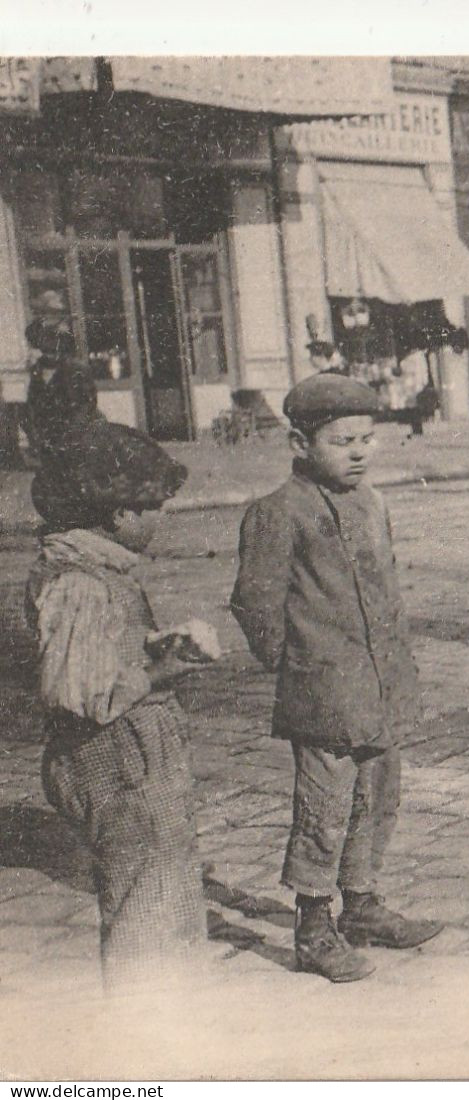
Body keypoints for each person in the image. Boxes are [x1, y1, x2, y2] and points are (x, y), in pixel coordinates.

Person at [231, 374, 444, 983]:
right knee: (323, 808)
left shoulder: (373, 503)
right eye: (342, 440)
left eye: (366, 439)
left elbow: (390, 587)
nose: (358, 452)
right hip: (323, 691)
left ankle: (363, 903)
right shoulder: (278, 513)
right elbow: (255, 602)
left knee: (376, 796)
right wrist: (294, 664)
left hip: (379, 687)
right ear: (301, 443)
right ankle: (313, 924)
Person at [24, 421, 214, 988]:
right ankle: (143, 1035)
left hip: (138, 761)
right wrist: (159, 670)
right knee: (143, 907)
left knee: (167, 893)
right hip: (116, 766)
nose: (163, 517)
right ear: (119, 515)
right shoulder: (82, 583)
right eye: (156, 505)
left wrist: (152, 647)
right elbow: (79, 693)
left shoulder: (101, 574)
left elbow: (95, 658)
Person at [23, 317, 102, 467]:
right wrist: (36, 437)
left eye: (52, 343)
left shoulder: (77, 369)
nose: (48, 352)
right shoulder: (37, 371)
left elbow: (87, 405)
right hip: (49, 442)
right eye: (41, 344)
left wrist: (70, 437)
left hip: (79, 439)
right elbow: (33, 406)